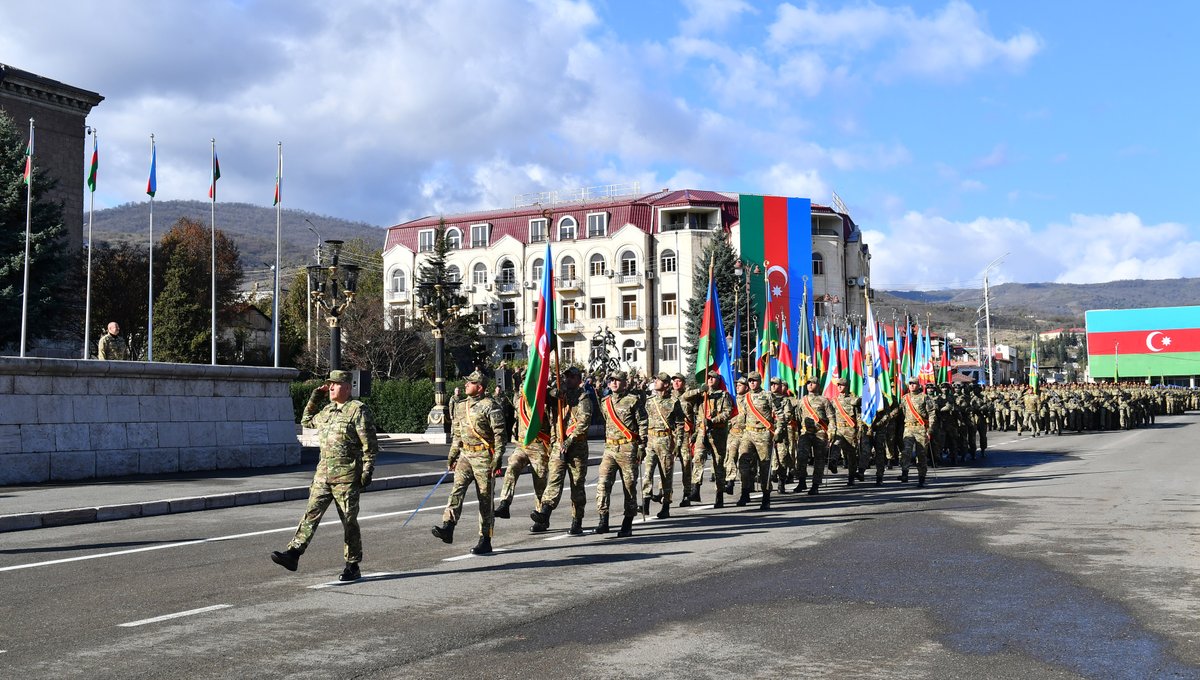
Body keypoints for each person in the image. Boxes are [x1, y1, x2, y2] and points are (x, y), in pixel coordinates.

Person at [272, 370, 378, 581]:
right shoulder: (327, 411)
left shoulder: (357, 411)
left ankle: (352, 564)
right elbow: (306, 419)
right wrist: (315, 396)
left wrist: (367, 471)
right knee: (311, 513)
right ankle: (293, 554)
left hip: (347, 476)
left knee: (349, 521)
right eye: (329, 384)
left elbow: (370, 446)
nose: (330, 387)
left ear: (347, 388)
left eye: (335, 384)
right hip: (323, 474)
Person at [432, 370, 507, 554]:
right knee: (457, 490)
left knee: (485, 498)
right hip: (465, 455)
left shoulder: (491, 406)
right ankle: (448, 526)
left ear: (479, 387)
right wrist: (452, 456)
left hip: (483, 457)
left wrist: (497, 457)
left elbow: (500, 435)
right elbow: (457, 435)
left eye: (470, 383)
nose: (466, 385)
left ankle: (485, 538)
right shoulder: (460, 406)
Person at [531, 366, 593, 535]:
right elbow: (539, 393)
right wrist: (553, 393)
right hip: (559, 444)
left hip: (577, 447)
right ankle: (544, 512)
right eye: (566, 377)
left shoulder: (583, 398)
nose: (568, 380)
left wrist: (570, 440)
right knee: (554, 479)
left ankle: (576, 520)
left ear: (579, 379)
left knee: (577, 485)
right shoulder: (559, 396)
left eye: (572, 377)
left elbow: (583, 422)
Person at [595, 370, 647, 537]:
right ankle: (603, 520)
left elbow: (643, 423)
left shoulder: (633, 400)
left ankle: (627, 522)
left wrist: (642, 446)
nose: (614, 383)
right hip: (610, 448)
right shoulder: (605, 402)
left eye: (618, 380)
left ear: (625, 383)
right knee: (603, 484)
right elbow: (606, 420)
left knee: (629, 486)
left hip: (628, 448)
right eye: (612, 380)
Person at [494, 387, 550, 522]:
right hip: (522, 445)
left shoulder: (545, 400)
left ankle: (541, 517)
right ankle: (505, 503)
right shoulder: (519, 401)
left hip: (539, 446)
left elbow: (553, 423)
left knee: (540, 483)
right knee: (512, 466)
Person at [679, 371, 734, 507]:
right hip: (702, 432)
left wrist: (713, 420)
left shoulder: (723, 395)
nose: (710, 379)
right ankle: (695, 489)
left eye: (713, 378)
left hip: (718, 433)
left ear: (718, 380)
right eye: (708, 378)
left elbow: (728, 412)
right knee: (698, 458)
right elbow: (684, 398)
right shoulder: (701, 394)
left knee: (718, 464)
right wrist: (699, 390)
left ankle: (719, 494)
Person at [737, 372, 784, 509]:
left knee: (765, 466)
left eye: (754, 381)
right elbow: (742, 416)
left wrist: (778, 431)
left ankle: (766, 496)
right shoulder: (746, 397)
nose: (752, 383)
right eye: (750, 381)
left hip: (763, 434)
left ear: (759, 381)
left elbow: (780, 415)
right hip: (748, 433)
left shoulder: (768, 396)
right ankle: (745, 492)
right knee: (743, 462)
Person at [641, 372, 684, 518]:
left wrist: (678, 443)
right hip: (651, 440)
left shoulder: (673, 402)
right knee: (648, 472)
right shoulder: (649, 400)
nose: (656, 381)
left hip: (666, 440)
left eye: (658, 380)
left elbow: (679, 424)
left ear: (665, 384)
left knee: (666, 475)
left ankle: (666, 506)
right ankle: (645, 503)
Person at [797, 378, 836, 495]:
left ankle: (815, 485)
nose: (809, 385)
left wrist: (832, 431)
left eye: (812, 383)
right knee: (801, 457)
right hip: (806, 433)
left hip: (820, 432)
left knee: (819, 459)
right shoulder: (802, 400)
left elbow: (831, 417)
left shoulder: (824, 400)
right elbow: (798, 417)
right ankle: (802, 481)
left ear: (818, 385)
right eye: (808, 383)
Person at [900, 378, 936, 486]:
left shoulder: (925, 398)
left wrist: (930, 429)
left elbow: (932, 414)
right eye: (910, 383)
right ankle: (905, 473)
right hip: (909, 428)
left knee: (921, 454)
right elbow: (903, 412)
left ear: (918, 385)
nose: (911, 385)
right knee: (906, 452)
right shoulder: (904, 398)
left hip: (921, 428)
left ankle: (921, 477)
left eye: (914, 383)